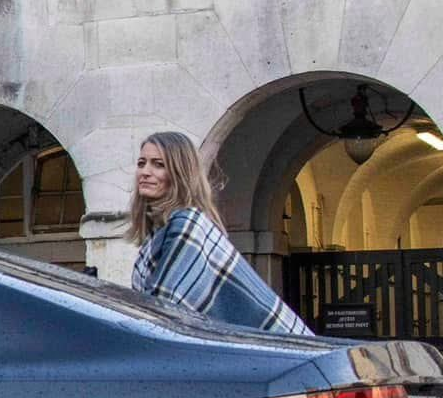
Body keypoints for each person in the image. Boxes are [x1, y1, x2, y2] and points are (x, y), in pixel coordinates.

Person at [128, 130, 311, 335]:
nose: (145, 171)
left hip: (279, 349)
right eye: (141, 163)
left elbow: (162, 313)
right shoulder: (155, 236)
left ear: (180, 172)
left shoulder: (187, 224)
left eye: (158, 164)